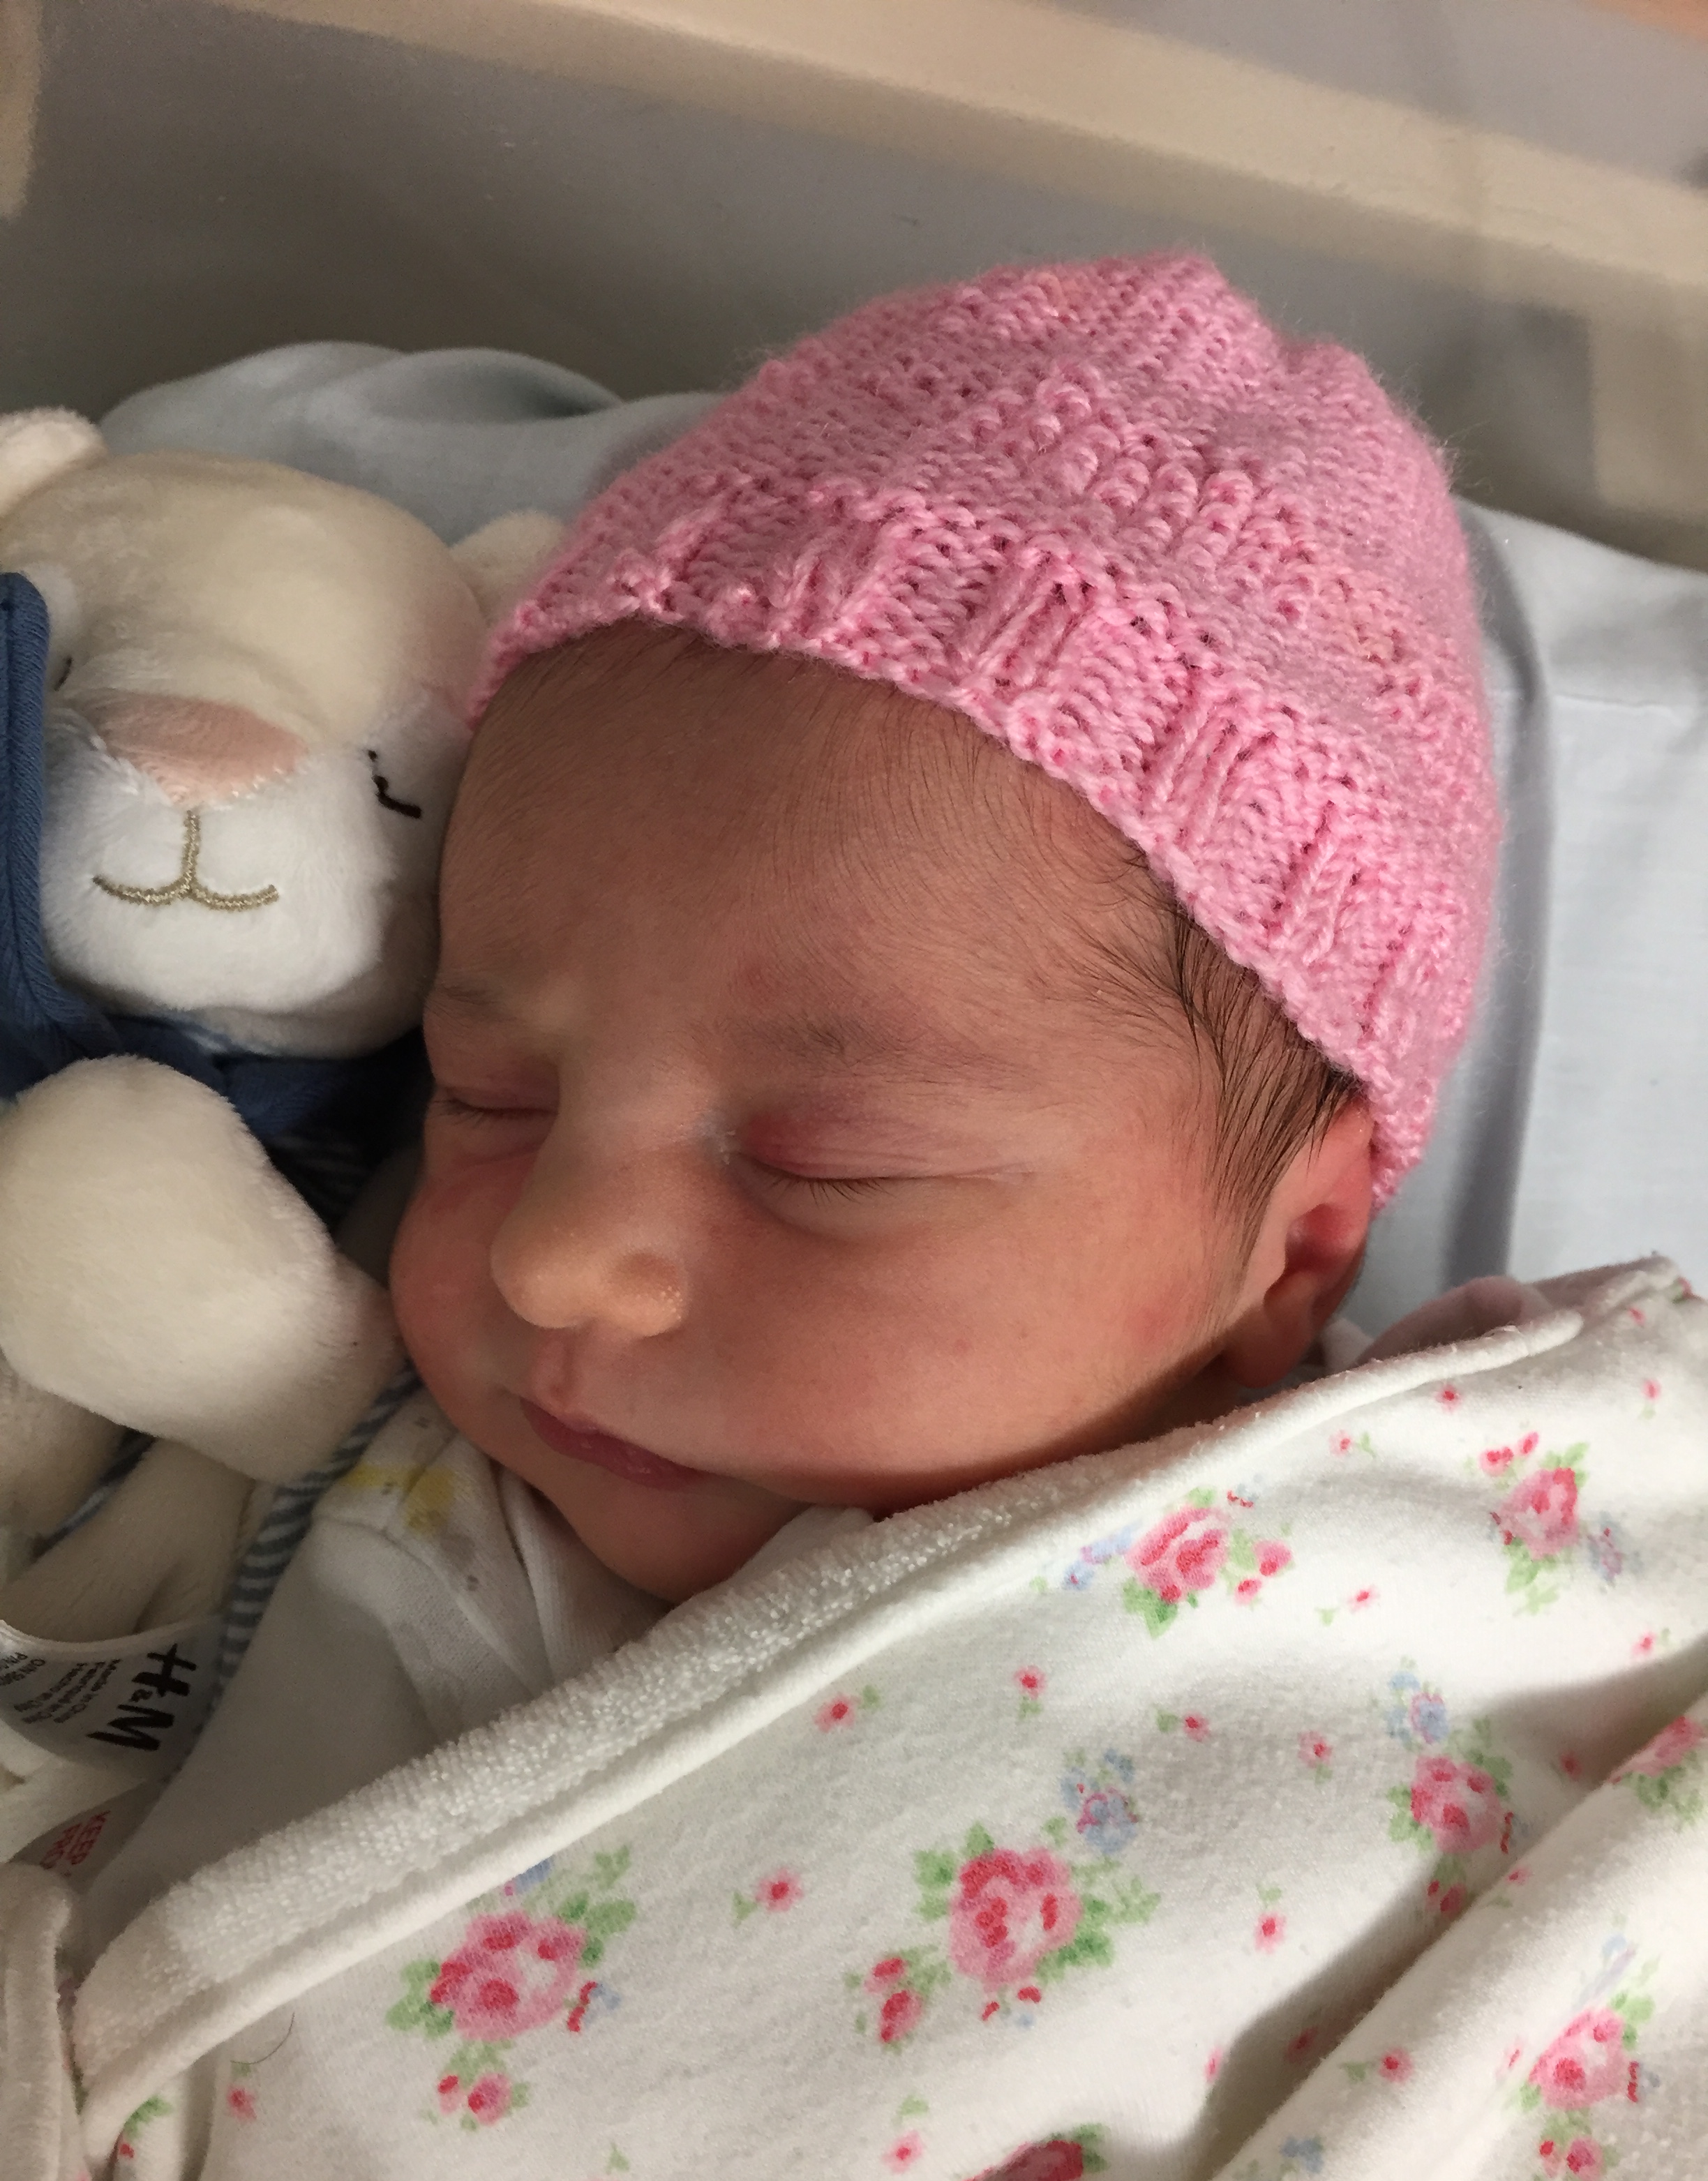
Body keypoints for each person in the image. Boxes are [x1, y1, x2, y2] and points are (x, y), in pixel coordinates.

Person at [82, 250, 1499, 1926]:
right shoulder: (360, 1441)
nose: (549, 1258)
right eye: (489, 1093)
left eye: (824, 1164)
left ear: (1296, 1253)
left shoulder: (1464, 1602)